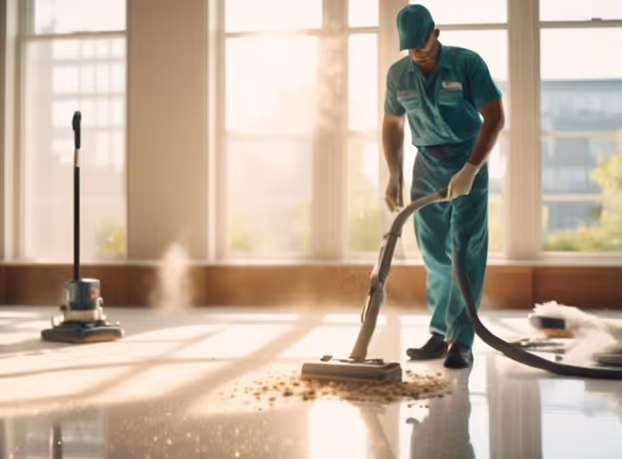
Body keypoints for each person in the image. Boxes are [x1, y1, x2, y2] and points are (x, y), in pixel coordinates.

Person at [382, 4, 505, 368]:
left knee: (464, 250)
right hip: (427, 163)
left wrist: (470, 169)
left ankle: (462, 341)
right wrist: (394, 173)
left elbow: (495, 116)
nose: (417, 52)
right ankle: (439, 334)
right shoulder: (398, 74)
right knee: (434, 251)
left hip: (468, 160)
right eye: (410, 48)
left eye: (422, 43)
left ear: (436, 33)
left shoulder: (467, 63)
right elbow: (392, 125)